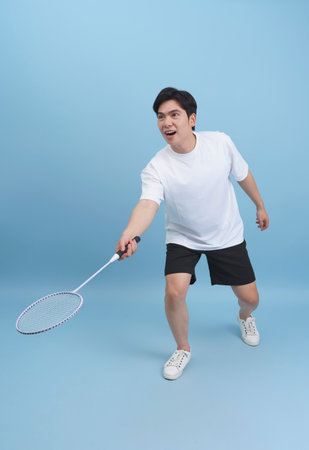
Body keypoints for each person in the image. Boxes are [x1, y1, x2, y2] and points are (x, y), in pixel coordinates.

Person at [115, 87, 269, 380]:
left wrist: (260, 206)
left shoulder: (220, 143)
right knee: (174, 293)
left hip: (225, 233)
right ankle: (182, 348)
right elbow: (148, 204)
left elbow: (243, 175)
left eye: (174, 115)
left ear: (192, 118)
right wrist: (129, 233)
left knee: (251, 298)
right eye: (161, 117)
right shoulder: (156, 166)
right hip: (183, 237)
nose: (167, 123)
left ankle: (245, 316)